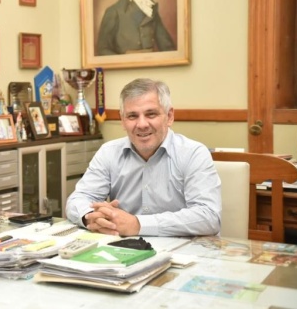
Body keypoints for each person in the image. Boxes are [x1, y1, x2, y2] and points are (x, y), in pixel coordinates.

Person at [66, 78, 221, 237]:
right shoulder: (108, 153)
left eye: (151, 114)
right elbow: (78, 199)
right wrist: (91, 217)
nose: (142, 124)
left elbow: (209, 217)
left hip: (184, 249)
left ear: (169, 116)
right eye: (132, 116)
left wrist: (138, 224)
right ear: (123, 121)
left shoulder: (194, 154)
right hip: (124, 248)